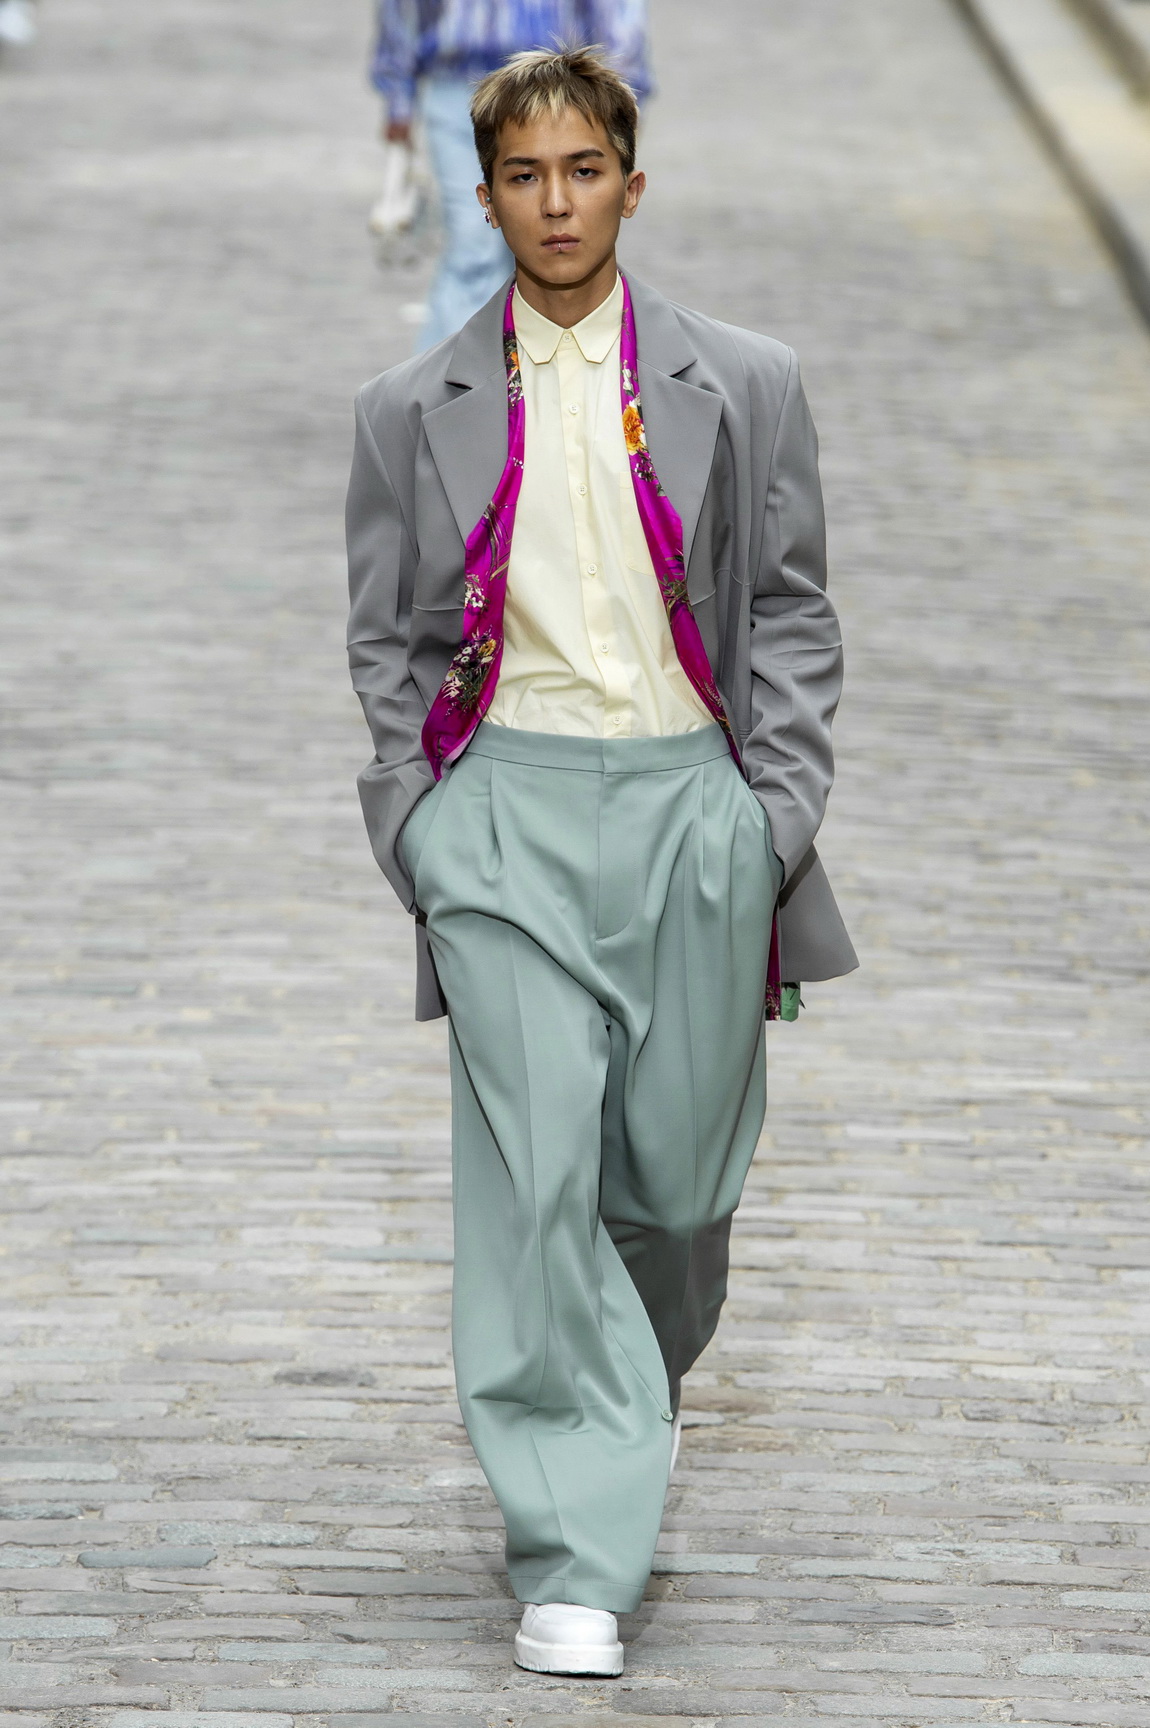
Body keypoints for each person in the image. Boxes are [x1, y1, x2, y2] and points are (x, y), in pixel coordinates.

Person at [346, 47, 856, 1677]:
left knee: (678, 1182)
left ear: (635, 181)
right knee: (538, 1168)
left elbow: (789, 607)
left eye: (585, 169)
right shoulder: (405, 412)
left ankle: (623, 1385)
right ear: (484, 193)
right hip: (500, 810)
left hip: (697, 808)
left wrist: (769, 813)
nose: (554, 202)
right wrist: (418, 824)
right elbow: (390, 639)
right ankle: (575, 1543)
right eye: (522, 175)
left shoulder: (747, 382)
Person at [369, 2, 649, 350]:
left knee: (553, 247)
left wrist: (623, 90)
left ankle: (545, 372)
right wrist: (398, 93)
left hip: (559, 87)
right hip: (456, 82)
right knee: (474, 246)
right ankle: (451, 385)